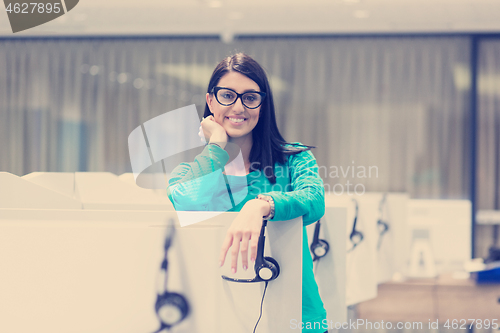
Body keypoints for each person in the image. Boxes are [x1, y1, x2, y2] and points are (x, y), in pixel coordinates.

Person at [167, 53, 327, 333]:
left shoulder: (294, 159)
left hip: (297, 318)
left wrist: (260, 205)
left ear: (262, 106)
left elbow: (314, 200)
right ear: (210, 101)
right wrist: (217, 145)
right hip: (219, 318)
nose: (238, 106)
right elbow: (187, 202)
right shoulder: (188, 174)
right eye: (227, 95)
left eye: (250, 98)